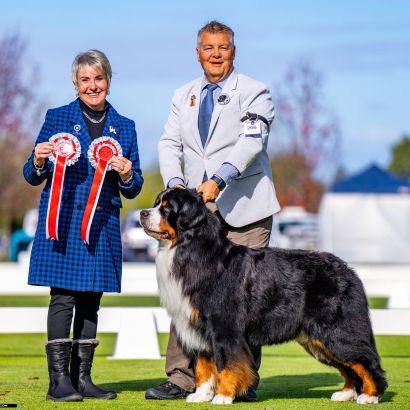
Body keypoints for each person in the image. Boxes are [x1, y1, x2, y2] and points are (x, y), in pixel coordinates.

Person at [146, 21, 280, 402]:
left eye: (223, 47)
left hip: (244, 206)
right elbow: (169, 141)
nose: (216, 53)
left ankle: (242, 382)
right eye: (208, 47)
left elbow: (252, 141)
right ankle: (182, 377)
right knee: (184, 291)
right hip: (194, 214)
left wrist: (219, 180)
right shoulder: (182, 95)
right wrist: (174, 185)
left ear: (233, 51)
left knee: (244, 299)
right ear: (198, 52)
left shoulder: (255, 91)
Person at [23, 49, 143, 402]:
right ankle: (58, 382)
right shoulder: (56, 117)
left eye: (99, 78)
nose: (93, 86)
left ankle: (83, 379)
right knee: (63, 298)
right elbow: (31, 176)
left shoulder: (127, 127)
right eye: (85, 80)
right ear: (75, 85)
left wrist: (126, 172)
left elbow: (133, 188)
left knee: (92, 299)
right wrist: (38, 159)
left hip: (102, 222)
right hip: (62, 221)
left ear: (108, 80)